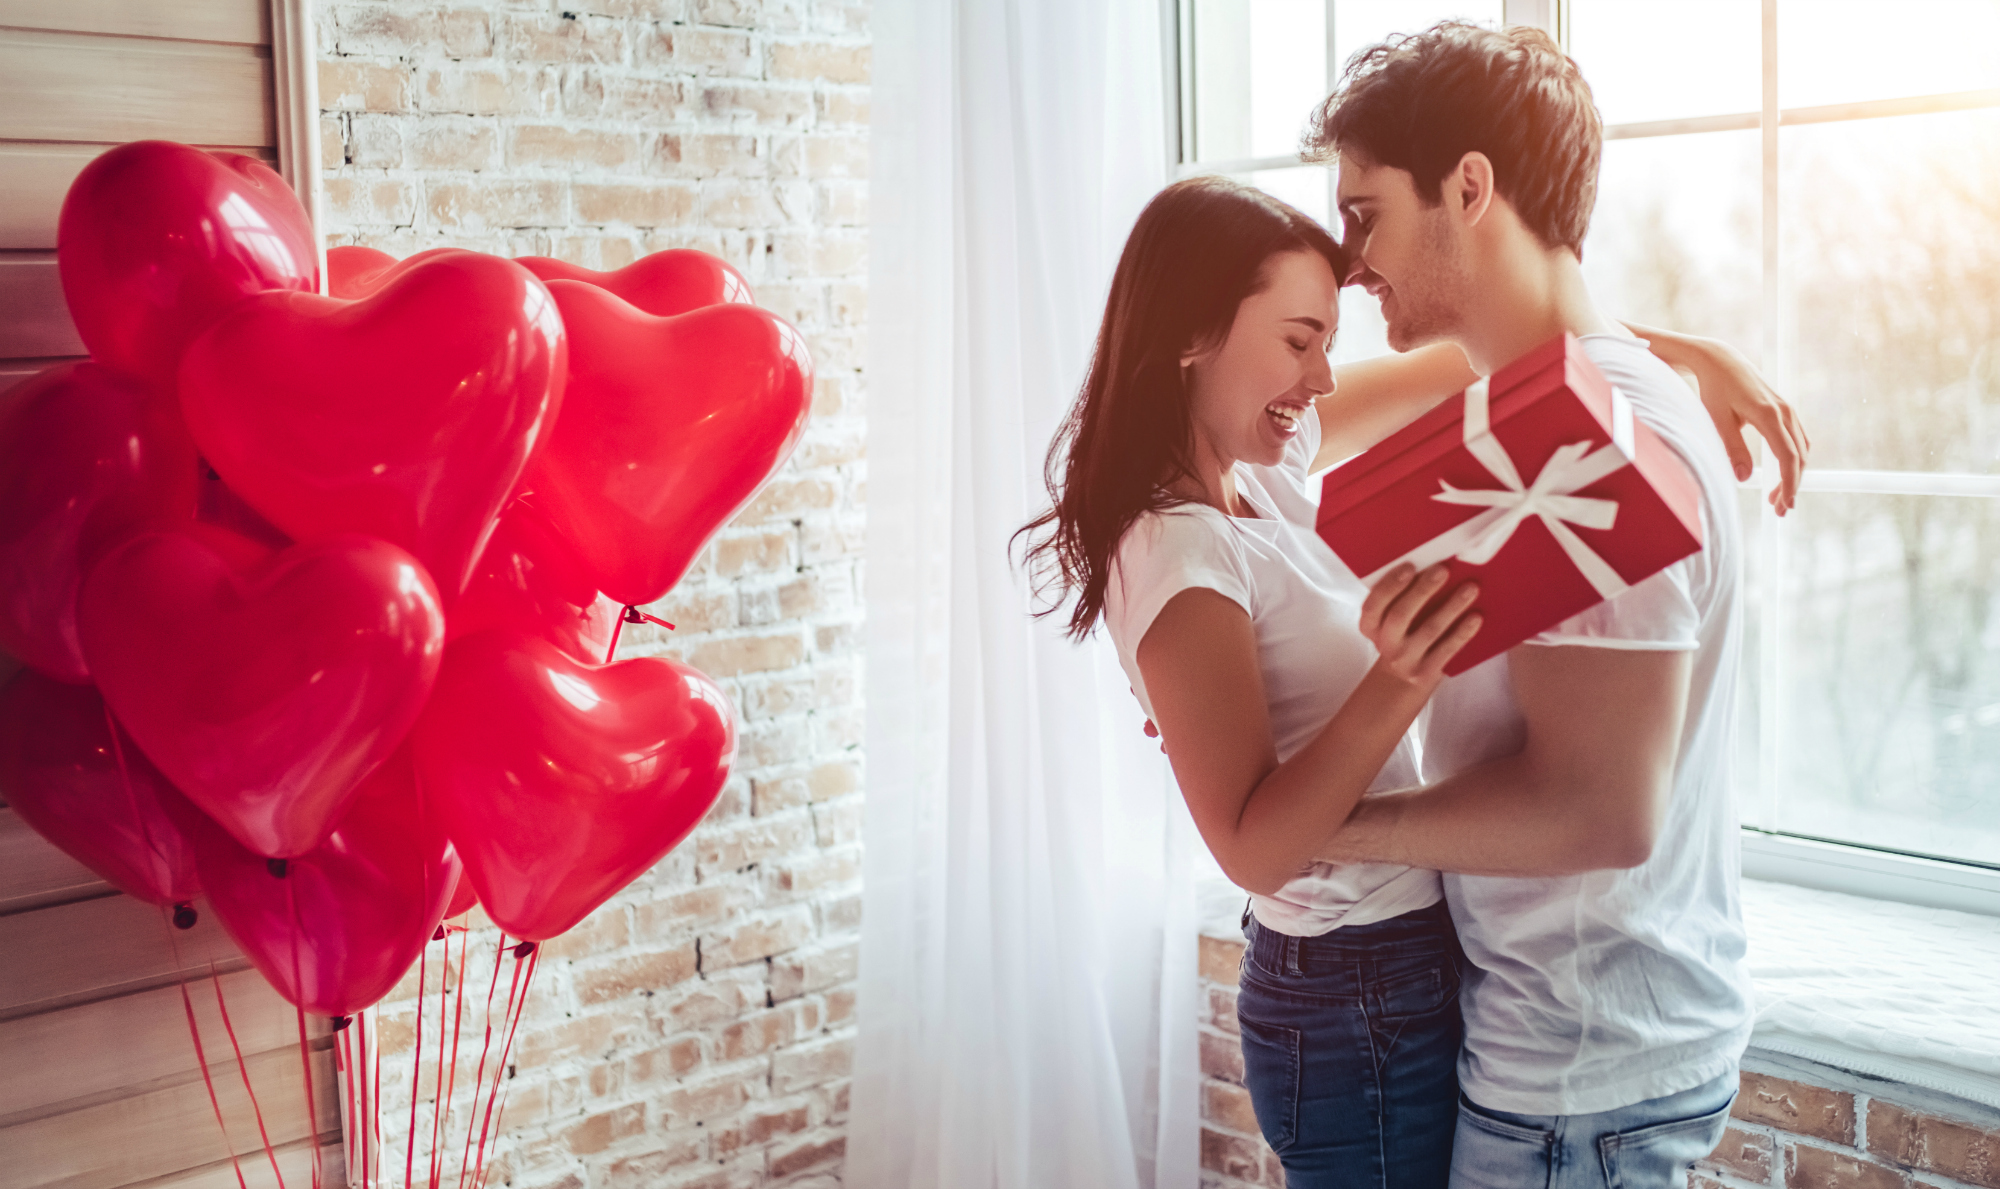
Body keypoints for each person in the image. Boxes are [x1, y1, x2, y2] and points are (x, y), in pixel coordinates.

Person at [1017, 170, 1803, 1185]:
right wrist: (1403, 672)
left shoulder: (1259, 471)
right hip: (1343, 995)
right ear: (1189, 335)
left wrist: (1681, 351)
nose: (1322, 382)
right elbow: (1251, 849)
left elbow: (1465, 360)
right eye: (1298, 341)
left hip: (1407, 962)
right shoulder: (1177, 552)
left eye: (1326, 345)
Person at [1303, 22, 1775, 1189]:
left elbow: (1594, 810)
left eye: (1364, 215)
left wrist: (1322, 826)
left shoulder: (1586, 450)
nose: (1350, 263)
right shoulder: (1553, 404)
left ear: (1468, 187)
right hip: (1591, 1058)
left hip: (1578, 1081)